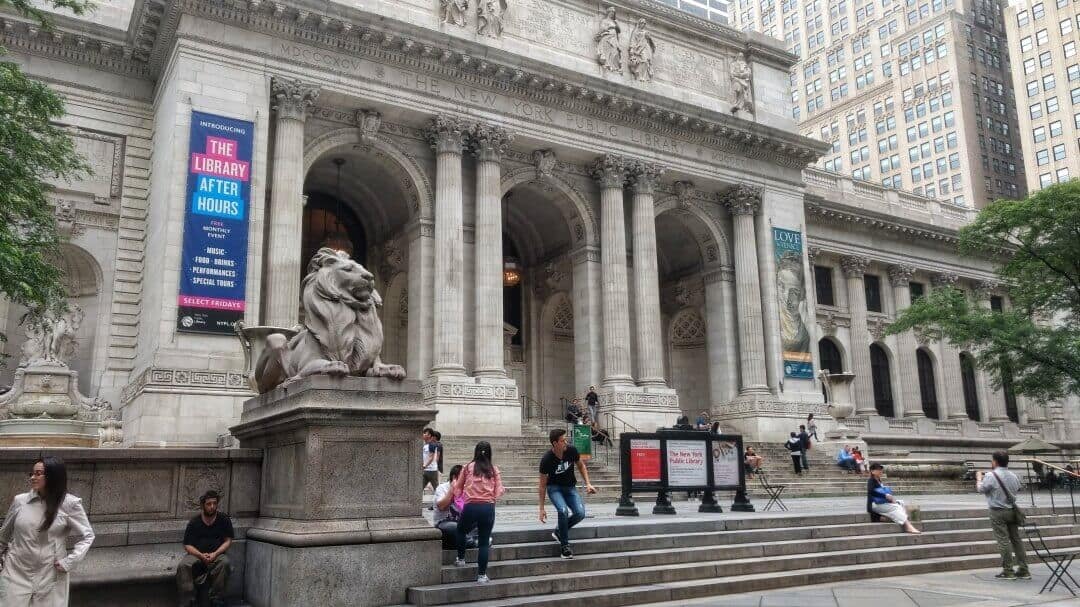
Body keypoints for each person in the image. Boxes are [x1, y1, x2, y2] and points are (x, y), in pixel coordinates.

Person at [0, 456, 95, 607]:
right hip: (15, 572)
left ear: (53, 476)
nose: (32, 477)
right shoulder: (20, 501)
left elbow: (88, 535)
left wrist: (69, 561)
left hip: (50, 576)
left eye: (38, 473)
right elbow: (3, 537)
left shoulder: (69, 504)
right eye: (32, 473)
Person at [539, 428, 598, 560]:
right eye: (563, 440)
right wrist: (542, 508)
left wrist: (588, 483)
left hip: (570, 488)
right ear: (555, 443)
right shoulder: (546, 459)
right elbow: (542, 485)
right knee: (562, 510)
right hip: (554, 488)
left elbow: (581, 466)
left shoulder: (571, 450)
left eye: (566, 439)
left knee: (580, 513)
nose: (566, 442)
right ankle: (565, 547)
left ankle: (559, 531)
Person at [453, 441, 505, 583]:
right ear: (489, 453)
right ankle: (481, 575)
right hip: (487, 508)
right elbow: (499, 490)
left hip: (471, 506)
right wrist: (491, 498)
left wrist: (460, 497)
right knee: (483, 541)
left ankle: (461, 558)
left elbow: (457, 488)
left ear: (475, 452)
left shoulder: (468, 467)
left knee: (461, 530)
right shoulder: (494, 470)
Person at [977, 451, 1030, 580]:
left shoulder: (990, 475)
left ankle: (1008, 570)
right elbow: (1018, 488)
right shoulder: (1013, 475)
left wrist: (979, 478)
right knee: (1016, 539)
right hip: (1012, 510)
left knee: (1003, 541)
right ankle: (1023, 569)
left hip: (997, 511)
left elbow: (981, 489)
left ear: (995, 461)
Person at [177, 490, 233, 607]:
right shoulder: (194, 522)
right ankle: (188, 601)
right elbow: (187, 545)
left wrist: (215, 553)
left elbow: (228, 541)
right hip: (196, 555)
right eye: (209, 504)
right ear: (203, 505)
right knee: (183, 566)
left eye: (214, 503)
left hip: (217, 555)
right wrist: (201, 556)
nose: (212, 507)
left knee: (225, 563)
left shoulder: (224, 520)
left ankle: (217, 599)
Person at [433, 465, 479, 550]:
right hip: (443, 524)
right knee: (454, 527)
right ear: (454, 477)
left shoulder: (465, 489)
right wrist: (452, 490)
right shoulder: (442, 488)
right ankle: (471, 542)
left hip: (461, 523)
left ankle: (468, 541)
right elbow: (442, 506)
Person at [867, 464, 921, 534]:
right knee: (896, 507)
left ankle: (903, 520)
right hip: (874, 505)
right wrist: (885, 496)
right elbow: (871, 491)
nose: (880, 471)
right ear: (872, 471)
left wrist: (890, 498)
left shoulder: (879, 480)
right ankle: (908, 526)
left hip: (881, 503)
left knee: (900, 502)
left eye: (881, 469)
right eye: (878, 469)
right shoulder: (871, 480)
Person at [422, 427, 440, 508]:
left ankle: (441, 504)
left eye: (425, 433)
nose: (423, 435)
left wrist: (424, 465)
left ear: (429, 435)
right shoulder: (425, 445)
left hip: (432, 471)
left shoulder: (431, 445)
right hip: (426, 470)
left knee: (437, 489)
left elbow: (431, 457)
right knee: (420, 487)